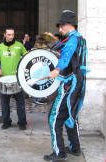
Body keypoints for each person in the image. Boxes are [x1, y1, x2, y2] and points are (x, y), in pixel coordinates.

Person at [43, 10, 88, 162]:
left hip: (70, 83)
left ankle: (59, 153)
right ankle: (75, 148)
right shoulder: (80, 39)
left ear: (68, 25)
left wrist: (56, 69)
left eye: (61, 26)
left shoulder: (72, 40)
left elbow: (66, 55)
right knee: (71, 115)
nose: (60, 29)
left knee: (54, 118)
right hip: (79, 82)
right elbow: (66, 51)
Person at [0, 27, 27, 130]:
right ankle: (6, 122)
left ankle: (22, 122)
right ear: (5, 35)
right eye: (9, 34)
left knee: (20, 103)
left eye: (13, 34)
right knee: (4, 104)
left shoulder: (19, 46)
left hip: (17, 79)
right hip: (4, 80)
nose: (11, 36)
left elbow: (26, 57)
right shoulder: (0, 47)